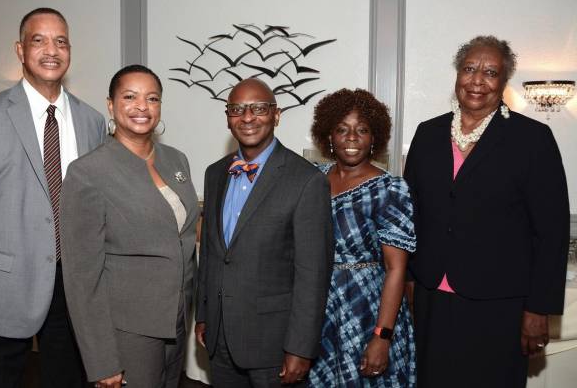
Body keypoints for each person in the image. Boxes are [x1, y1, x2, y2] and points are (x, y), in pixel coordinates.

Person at [0, 7, 105, 388]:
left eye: (61, 41)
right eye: (39, 40)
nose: (52, 50)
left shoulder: (92, 122)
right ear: (20, 49)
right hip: (2, 291)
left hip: (73, 289)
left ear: (70, 50)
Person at [403, 35, 570, 388]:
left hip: (500, 304)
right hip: (432, 296)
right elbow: (411, 217)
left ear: (504, 81)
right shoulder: (427, 134)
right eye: (469, 69)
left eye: (490, 72)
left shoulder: (532, 140)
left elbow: (551, 231)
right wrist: (409, 281)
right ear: (457, 74)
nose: (477, 80)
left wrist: (539, 309)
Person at [60, 64, 199, 388]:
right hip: (127, 331)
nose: (142, 107)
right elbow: (82, 278)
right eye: (130, 97)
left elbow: (183, 236)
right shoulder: (88, 173)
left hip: (176, 319)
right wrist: (101, 360)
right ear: (111, 104)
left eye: (152, 98)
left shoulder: (176, 159)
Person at [194, 78, 333, 387]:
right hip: (220, 337)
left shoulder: (306, 180)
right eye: (237, 109)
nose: (247, 117)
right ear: (228, 117)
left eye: (258, 108)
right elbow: (212, 253)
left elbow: (313, 273)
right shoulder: (215, 173)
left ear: (276, 115)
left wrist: (300, 346)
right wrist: (204, 314)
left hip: (274, 343)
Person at [307, 89, 417, 387]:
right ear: (329, 135)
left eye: (362, 130)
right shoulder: (313, 179)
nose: (352, 137)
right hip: (318, 308)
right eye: (342, 129)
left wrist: (382, 336)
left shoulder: (390, 189)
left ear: (374, 138)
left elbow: (396, 269)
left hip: (367, 307)